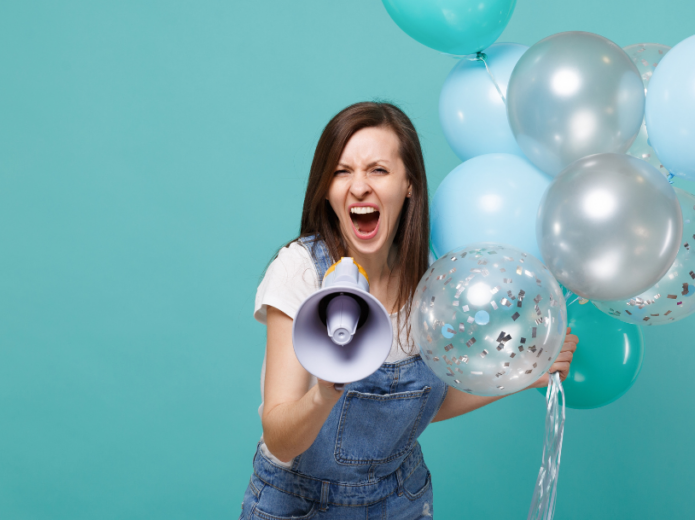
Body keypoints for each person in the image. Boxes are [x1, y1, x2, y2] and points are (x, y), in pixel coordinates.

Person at [240, 102, 578, 519]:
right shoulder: (300, 272)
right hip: (300, 504)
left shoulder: (433, 285)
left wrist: (521, 374)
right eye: (342, 171)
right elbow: (279, 440)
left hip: (399, 499)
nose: (359, 187)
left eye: (378, 170)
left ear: (409, 185)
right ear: (326, 189)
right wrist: (324, 392)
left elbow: (417, 405)